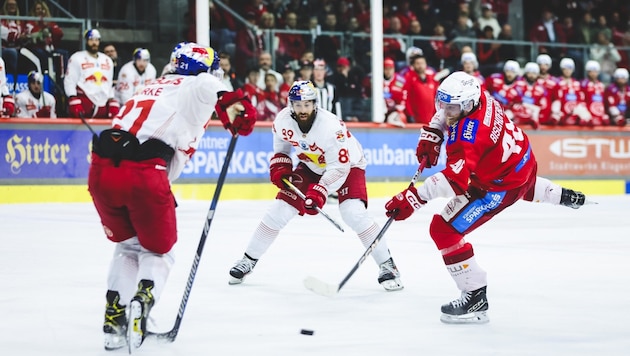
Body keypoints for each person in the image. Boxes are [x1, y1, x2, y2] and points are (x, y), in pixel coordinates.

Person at [384, 71, 587, 325]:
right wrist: (434, 130)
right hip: (523, 163)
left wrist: (414, 198)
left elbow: (453, 181)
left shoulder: (468, 136)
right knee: (521, 185)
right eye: (442, 104)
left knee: (443, 230)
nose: (446, 111)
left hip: (500, 185)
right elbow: (447, 111)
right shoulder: (481, 96)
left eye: (452, 108)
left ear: (468, 105)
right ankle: (558, 195)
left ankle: (475, 295)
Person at [90, 42, 257, 351]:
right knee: (158, 252)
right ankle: (142, 300)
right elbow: (214, 89)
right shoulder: (197, 82)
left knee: (127, 248)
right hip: (144, 174)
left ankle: (114, 323)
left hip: (101, 172)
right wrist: (236, 106)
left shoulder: (154, 85)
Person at [228, 80, 404, 292]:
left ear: (315, 104)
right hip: (311, 165)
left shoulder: (330, 127)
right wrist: (280, 167)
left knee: (353, 213)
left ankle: (387, 265)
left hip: (349, 166)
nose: (303, 110)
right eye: (298, 105)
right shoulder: (283, 120)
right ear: (291, 104)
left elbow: (339, 167)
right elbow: (282, 148)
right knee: (279, 210)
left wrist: (320, 191)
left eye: (307, 104)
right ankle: (248, 260)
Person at [64, 29, 120, 119]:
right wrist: (72, 98)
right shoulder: (76, 57)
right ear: (86, 41)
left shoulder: (107, 60)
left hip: (103, 104)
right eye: (91, 40)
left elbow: (108, 83)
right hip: (84, 101)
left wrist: (111, 100)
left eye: (97, 40)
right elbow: (70, 80)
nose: (94, 43)